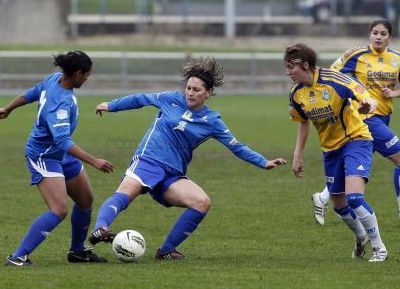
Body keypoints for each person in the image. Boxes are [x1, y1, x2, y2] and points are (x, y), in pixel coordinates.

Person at [88, 56, 287, 260]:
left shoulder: (212, 121)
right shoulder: (170, 99)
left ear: (208, 93)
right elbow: (140, 99)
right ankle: (101, 228)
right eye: (189, 88)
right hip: (148, 160)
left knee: (202, 202)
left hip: (172, 174)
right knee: (126, 193)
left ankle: (165, 250)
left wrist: (263, 162)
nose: (190, 93)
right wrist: (111, 105)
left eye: (196, 90)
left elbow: (236, 147)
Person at [1, 51, 114, 266]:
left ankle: (78, 251)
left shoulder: (55, 79)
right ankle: (18, 257)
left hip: (60, 154)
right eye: (87, 75)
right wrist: (94, 161)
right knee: (59, 209)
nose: (87, 79)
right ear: (78, 73)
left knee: (85, 200)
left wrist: (8, 108)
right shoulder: (60, 104)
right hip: (44, 156)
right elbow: (62, 141)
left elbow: (32, 92)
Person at [285, 43, 387, 262]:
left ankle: (380, 249)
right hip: (330, 150)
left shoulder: (334, 79)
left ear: (305, 65)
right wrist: (297, 156)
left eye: (290, 67)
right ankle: (361, 237)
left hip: (356, 140)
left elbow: (365, 95)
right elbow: (303, 124)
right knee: (339, 204)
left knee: (355, 198)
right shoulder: (296, 95)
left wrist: (368, 103)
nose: (288, 72)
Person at [312, 19, 400, 225]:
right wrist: (351, 93)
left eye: (383, 33)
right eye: (375, 33)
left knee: (354, 168)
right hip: (365, 117)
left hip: (384, 117)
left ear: (389, 36)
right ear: (370, 34)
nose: (378, 37)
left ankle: (323, 197)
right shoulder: (356, 54)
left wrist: (394, 93)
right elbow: (332, 75)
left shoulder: (396, 58)